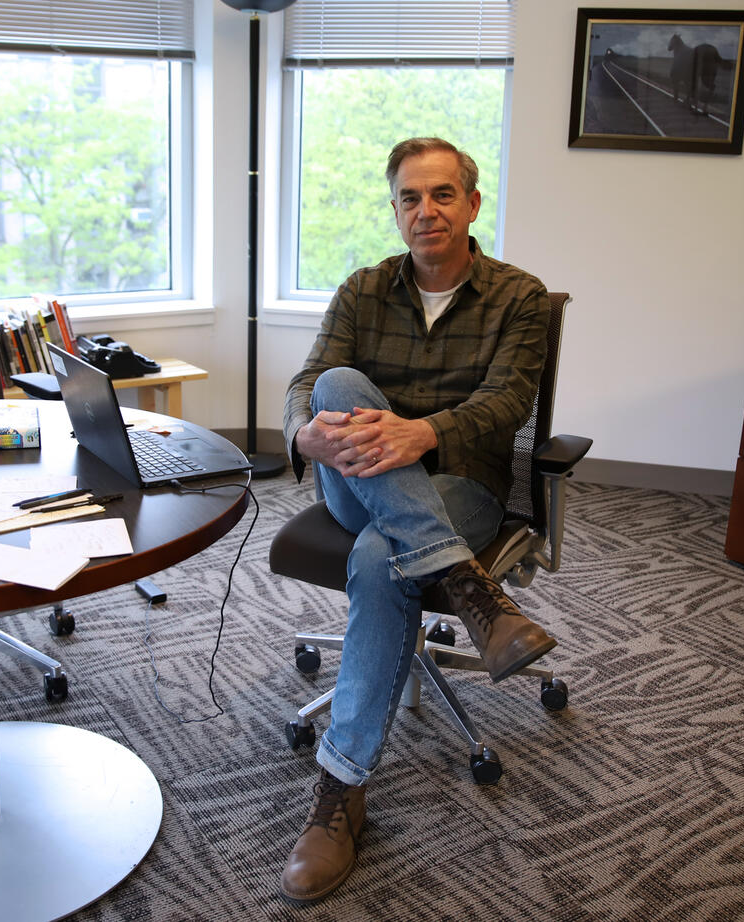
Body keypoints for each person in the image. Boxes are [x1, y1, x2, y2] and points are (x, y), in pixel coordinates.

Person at [279, 137, 556, 903]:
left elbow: (509, 403)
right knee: (337, 381)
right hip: (354, 480)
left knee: (378, 557)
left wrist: (422, 432)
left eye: (441, 195)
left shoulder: (518, 297)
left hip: (464, 481)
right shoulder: (363, 289)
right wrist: (302, 431)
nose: (424, 211)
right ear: (395, 209)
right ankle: (471, 592)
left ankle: (339, 789)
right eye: (409, 197)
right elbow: (308, 382)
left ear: (470, 204)